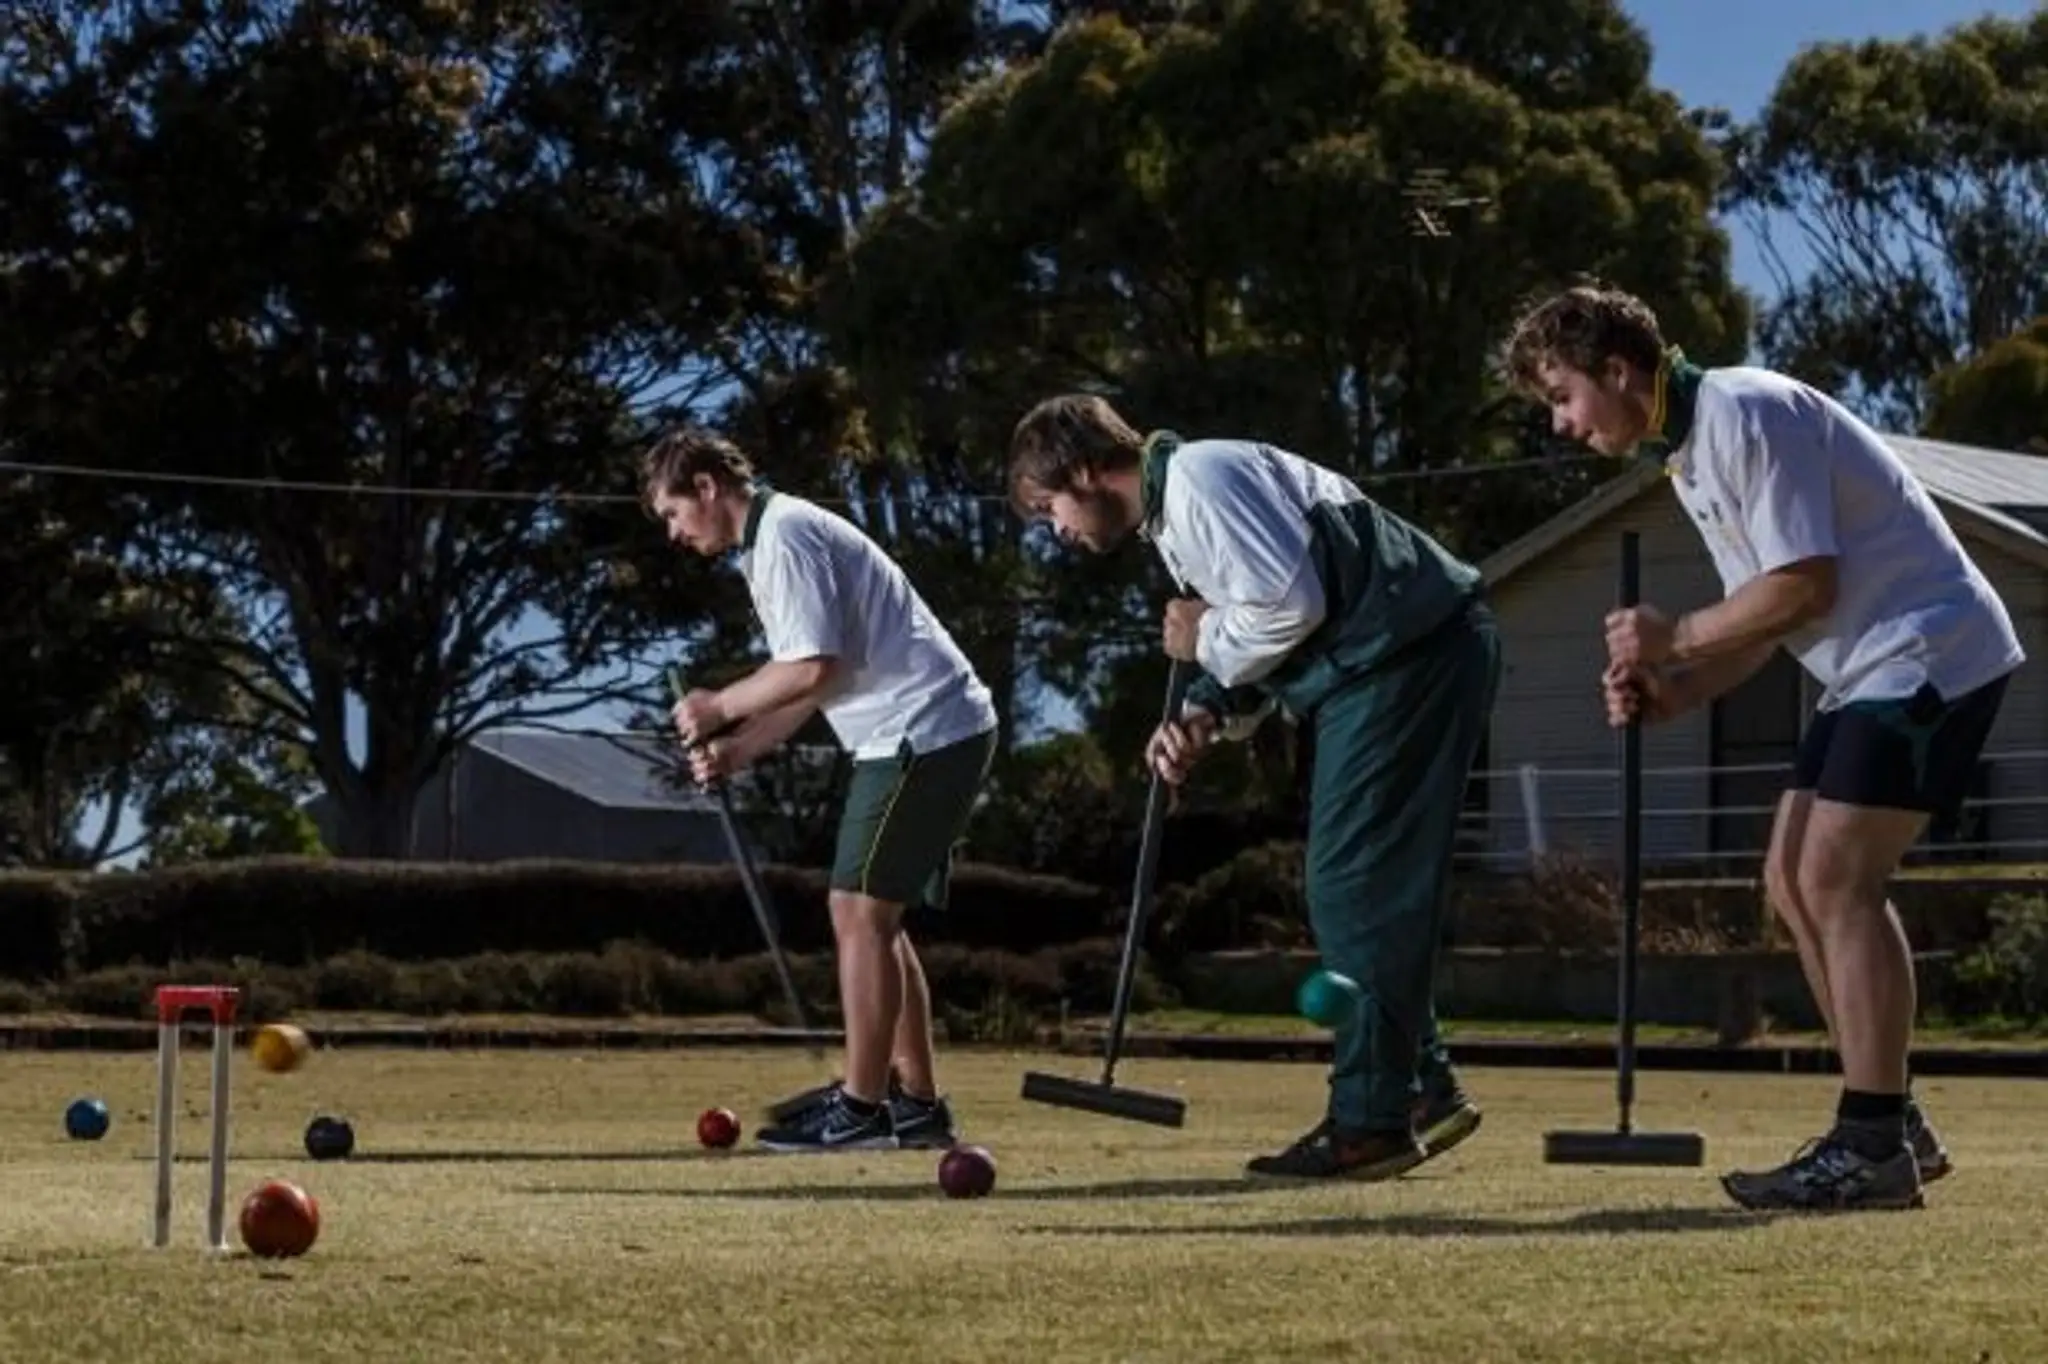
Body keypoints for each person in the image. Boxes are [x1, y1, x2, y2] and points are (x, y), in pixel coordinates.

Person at [1504, 282, 2025, 1212]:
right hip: (1869, 663)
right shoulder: (1691, 456)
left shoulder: (1748, 412)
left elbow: (1802, 589)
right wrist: (1680, 692)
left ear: (1618, 372)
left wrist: (1674, 637)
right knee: (1790, 878)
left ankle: (1870, 1142)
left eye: (1562, 396)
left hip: (1930, 647)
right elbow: (1758, 621)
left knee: (1835, 878)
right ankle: (1893, 1124)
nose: (1561, 424)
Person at [1007, 394, 1497, 1181]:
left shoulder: (1201, 479)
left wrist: (1201, 638)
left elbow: (1289, 607)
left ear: (1088, 470)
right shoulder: (1181, 512)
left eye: (1049, 507)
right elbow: (1267, 624)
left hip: (1406, 657)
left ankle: (1373, 1118)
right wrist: (1202, 712)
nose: (1057, 530)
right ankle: (1418, 1089)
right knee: (1355, 887)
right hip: (1385, 663)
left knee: (1354, 884)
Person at [645, 427, 1000, 1153]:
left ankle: (863, 1109)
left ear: (707, 488)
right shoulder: (774, 543)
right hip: (914, 733)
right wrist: (741, 748)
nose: (674, 535)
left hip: (922, 732)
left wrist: (719, 707)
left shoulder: (787, 538)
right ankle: (915, 1105)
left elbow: (809, 668)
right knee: (878, 918)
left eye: (673, 515)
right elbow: (820, 678)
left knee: (856, 910)